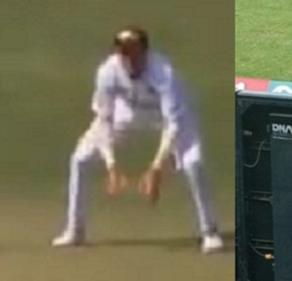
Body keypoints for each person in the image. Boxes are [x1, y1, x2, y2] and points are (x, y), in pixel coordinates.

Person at [52, 27, 222, 254]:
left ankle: (209, 232)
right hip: (128, 114)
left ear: (145, 51)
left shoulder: (163, 72)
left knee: (193, 163)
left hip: (172, 117)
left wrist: (156, 168)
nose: (128, 57)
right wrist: (111, 165)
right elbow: (104, 119)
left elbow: (173, 124)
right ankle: (75, 230)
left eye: (133, 51)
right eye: (123, 52)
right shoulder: (107, 71)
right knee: (81, 159)